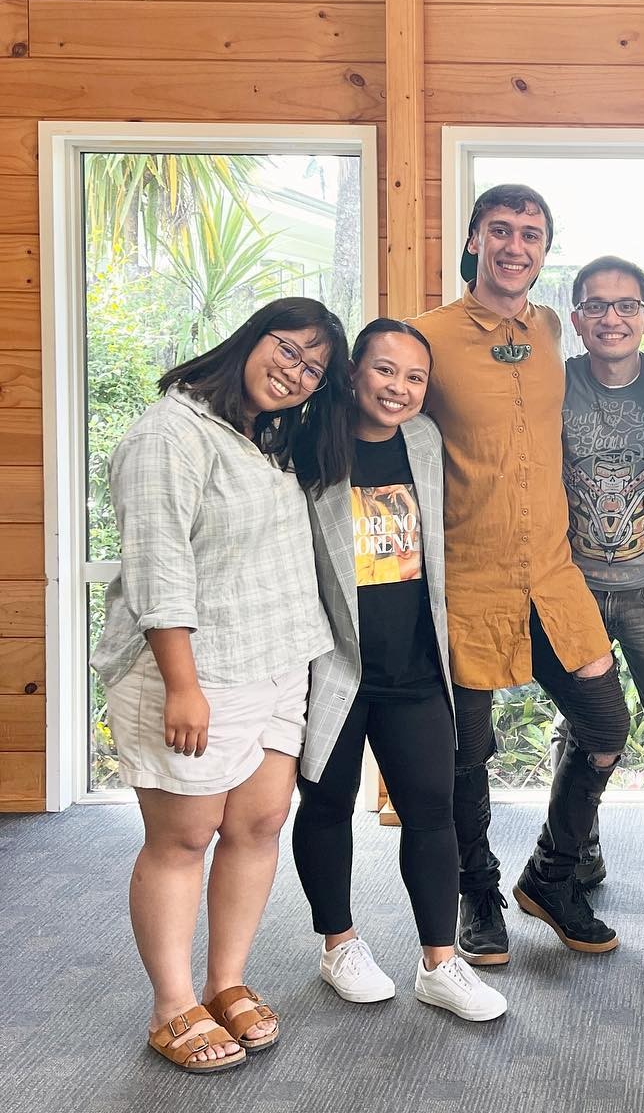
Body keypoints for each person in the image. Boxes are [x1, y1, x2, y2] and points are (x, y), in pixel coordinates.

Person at [92, 298, 349, 1074]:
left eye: (313, 368)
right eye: (288, 349)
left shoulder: (258, 436)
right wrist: (182, 685)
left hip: (276, 667)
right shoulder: (169, 433)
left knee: (259, 824)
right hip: (196, 672)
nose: (296, 373)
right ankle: (173, 1005)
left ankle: (225, 980)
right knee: (183, 838)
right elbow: (158, 567)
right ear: (250, 338)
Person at [410, 184, 631, 965]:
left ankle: (552, 877)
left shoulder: (547, 329)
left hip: (552, 576)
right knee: (467, 755)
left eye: (530, 233)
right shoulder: (426, 338)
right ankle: (479, 894)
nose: (515, 245)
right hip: (464, 582)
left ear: (543, 250)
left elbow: (629, 366)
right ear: (473, 240)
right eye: (499, 230)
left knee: (606, 727)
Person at [292, 319, 505, 1023]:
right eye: (386, 371)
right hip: (335, 665)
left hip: (415, 666)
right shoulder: (306, 444)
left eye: (415, 377)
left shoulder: (423, 440)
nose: (400, 389)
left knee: (432, 811)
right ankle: (338, 945)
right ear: (354, 373)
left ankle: (440, 964)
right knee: (326, 806)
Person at [557, 256, 644, 904]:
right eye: (595, 305)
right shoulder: (554, 385)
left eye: (623, 306)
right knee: (581, 725)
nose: (610, 318)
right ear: (577, 318)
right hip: (573, 585)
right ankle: (574, 846)